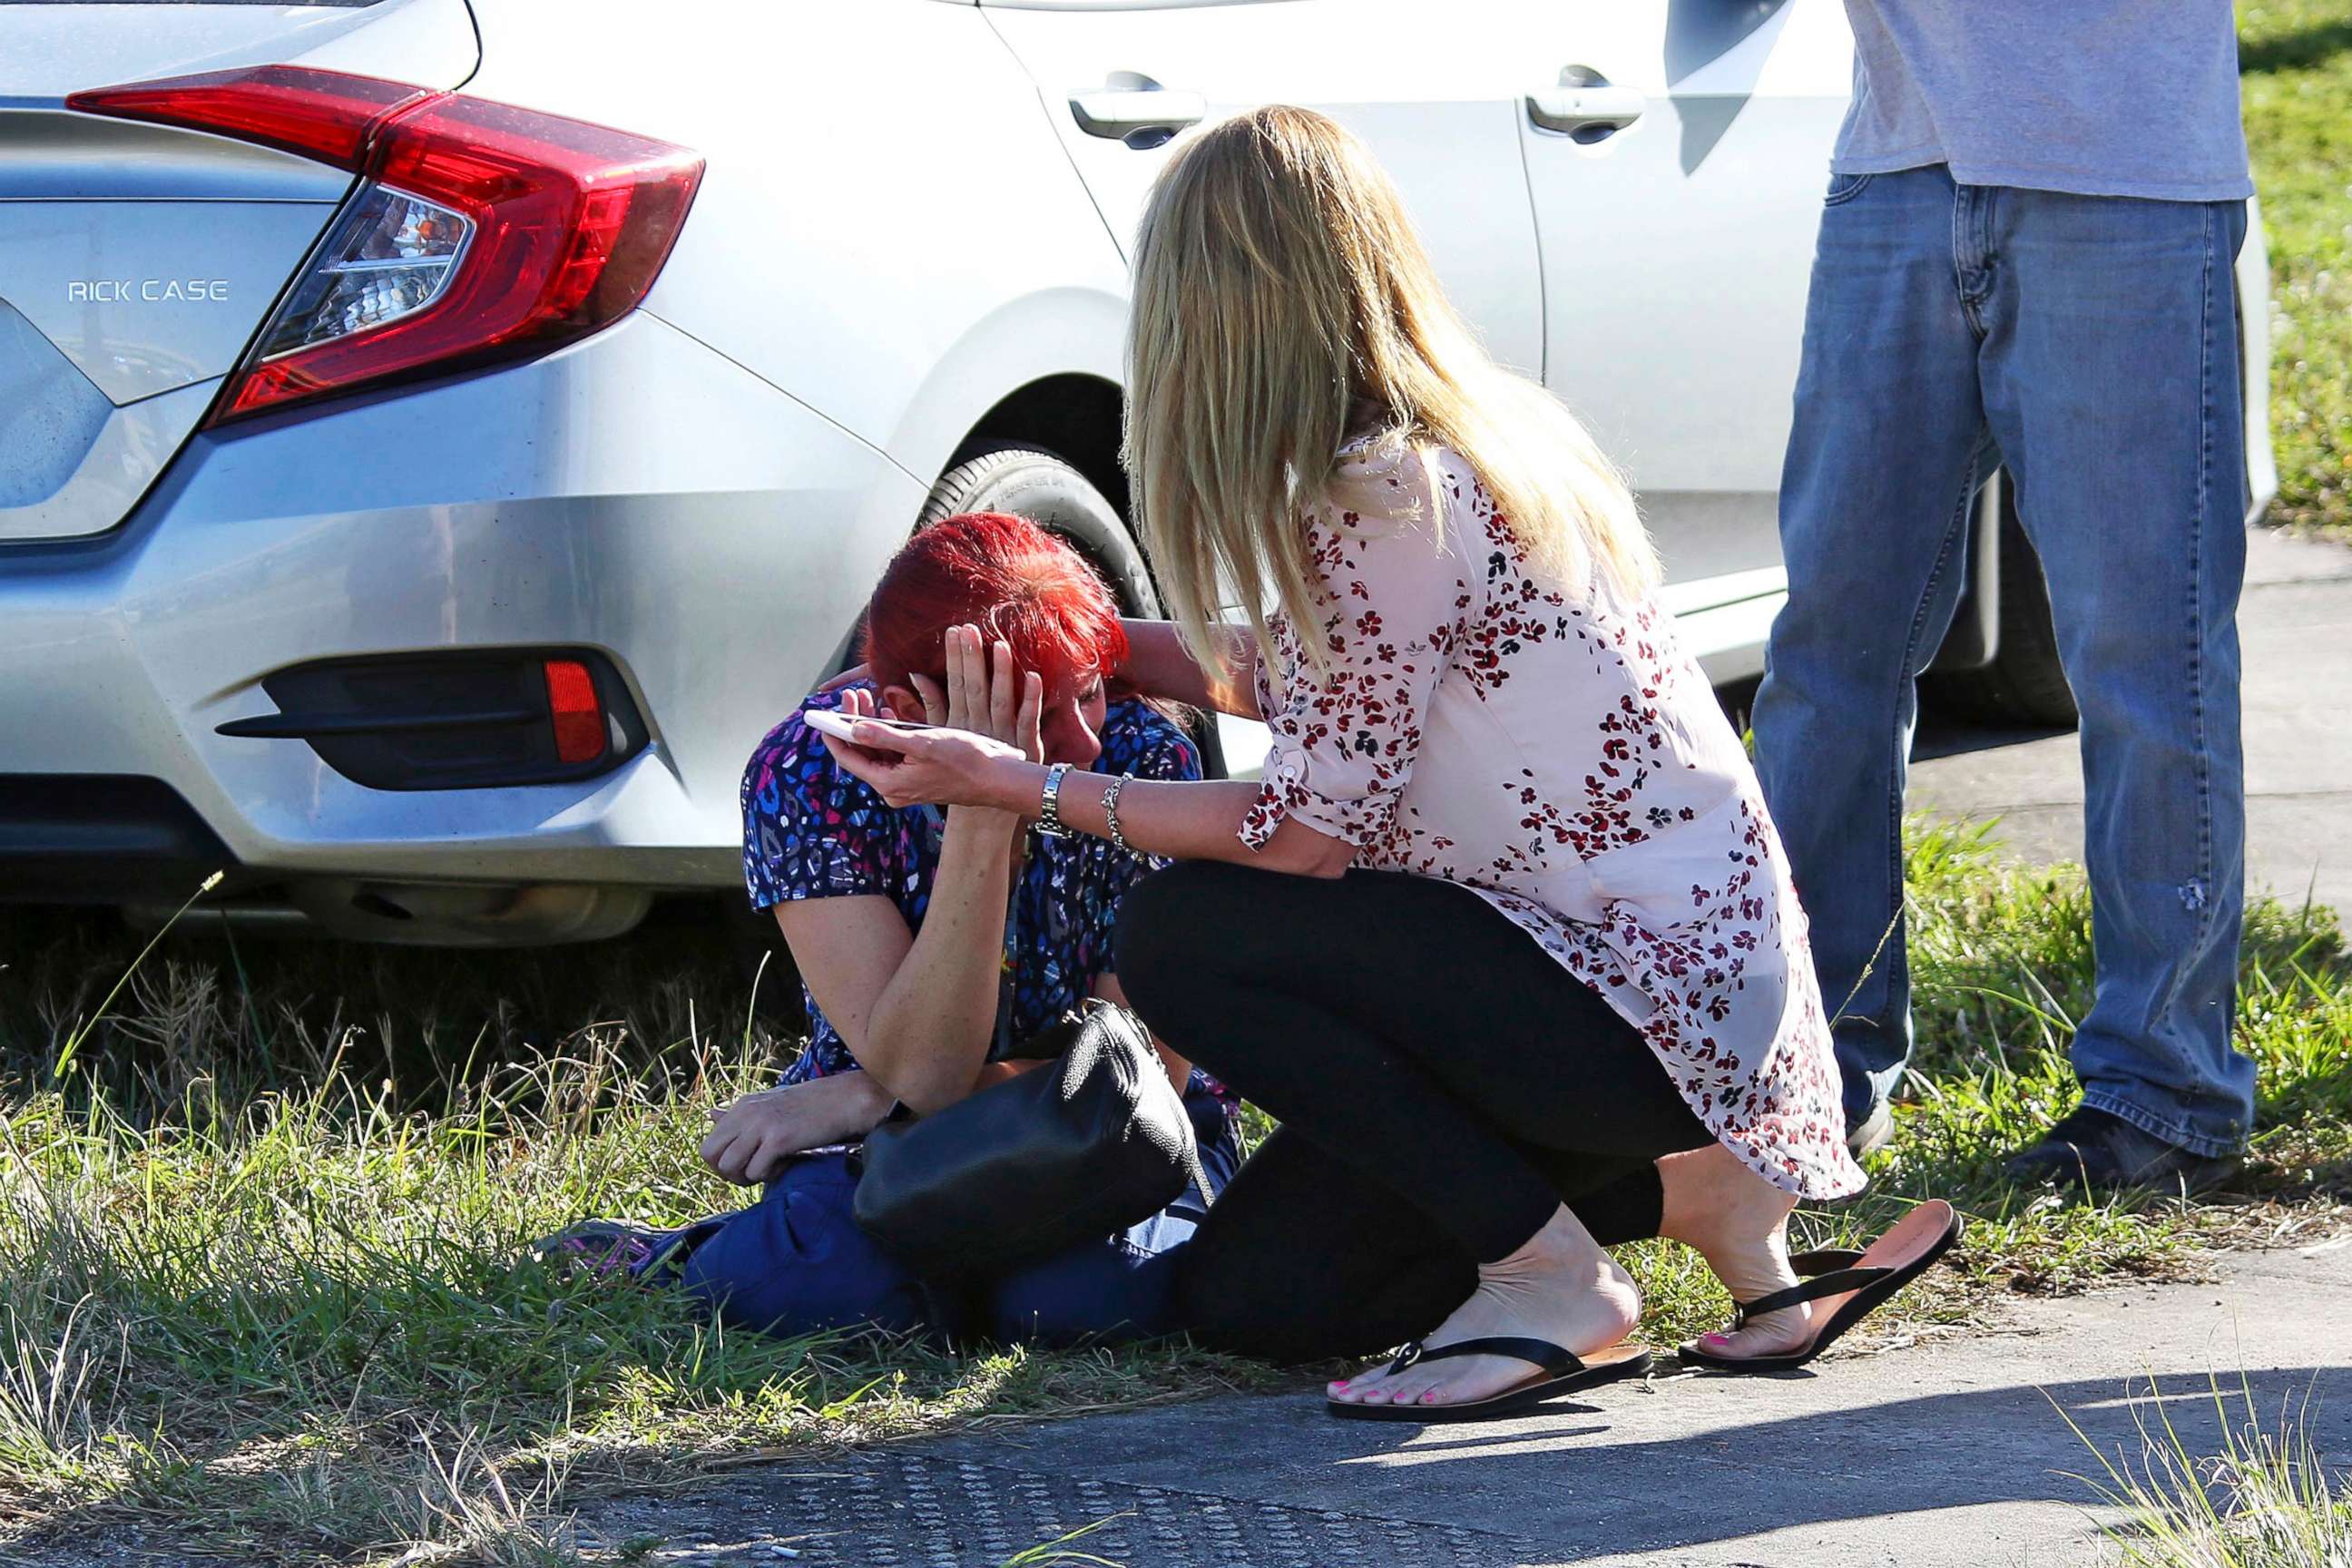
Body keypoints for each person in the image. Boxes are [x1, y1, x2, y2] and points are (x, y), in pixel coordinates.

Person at [819, 107, 1954, 1419]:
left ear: (1223, 313)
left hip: (1635, 1011)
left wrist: (1021, 785)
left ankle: (1549, 1280)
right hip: (1641, 997)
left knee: (1187, 931)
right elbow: (1345, 683)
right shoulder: (1460, 441)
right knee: (1263, 1302)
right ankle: (1694, 1194)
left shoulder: (1382, 498)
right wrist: (1095, 643)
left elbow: (1306, 834)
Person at [1749, 3, 2258, 1187]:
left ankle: (2166, 1092)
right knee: (1829, 650)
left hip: (2121, 171)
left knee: (2145, 657)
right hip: (1898, 160)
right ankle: (1812, 1071)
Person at [550, 511, 1236, 1345]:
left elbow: (1137, 1076)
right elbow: (926, 1067)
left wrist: (862, 1095)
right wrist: (988, 813)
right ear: (914, 707)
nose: (1085, 740)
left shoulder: (1145, 759)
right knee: (824, 1291)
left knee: (1095, 1302)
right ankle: (686, 1256)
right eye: (1041, 713)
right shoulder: (804, 773)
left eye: (1091, 690)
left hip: (1115, 1133)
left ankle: (946, 1277)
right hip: (904, 1138)